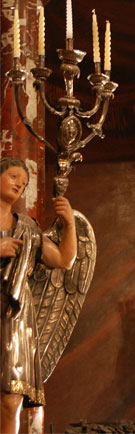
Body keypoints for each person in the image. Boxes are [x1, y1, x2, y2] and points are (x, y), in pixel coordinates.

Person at [0, 157, 77, 434]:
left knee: (11, 400)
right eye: (13, 176)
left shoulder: (29, 230)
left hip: (15, 318)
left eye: (23, 183)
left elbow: (64, 260)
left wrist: (69, 225)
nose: (19, 184)